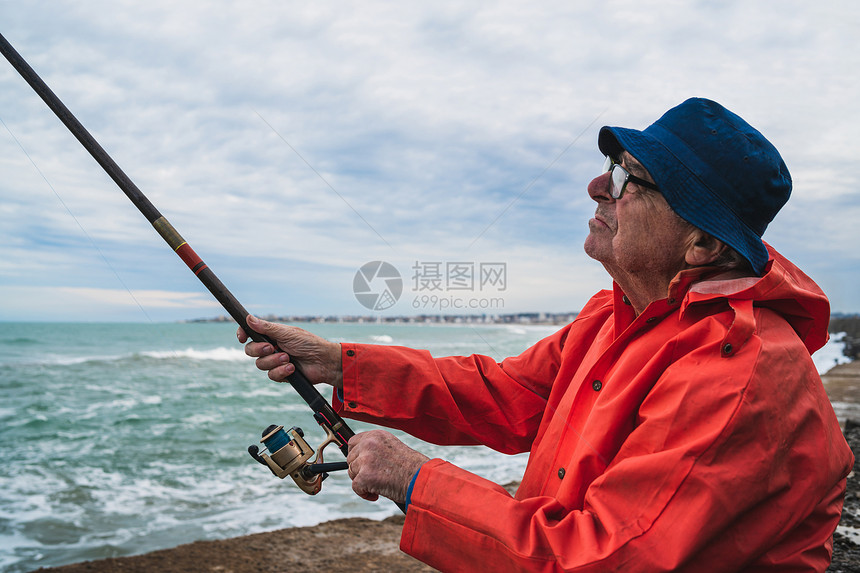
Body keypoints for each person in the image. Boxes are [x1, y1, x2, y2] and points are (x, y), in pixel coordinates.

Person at [238, 98, 854, 571]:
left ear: (703, 243)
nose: (597, 186)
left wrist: (413, 479)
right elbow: (506, 395)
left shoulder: (737, 372)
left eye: (628, 179)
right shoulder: (618, 315)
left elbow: (604, 559)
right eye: (611, 167)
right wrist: (339, 365)